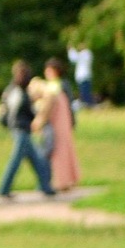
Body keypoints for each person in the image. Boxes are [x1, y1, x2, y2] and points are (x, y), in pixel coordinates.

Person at [0, 60, 55, 199]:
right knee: (16, 161)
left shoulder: (13, 90)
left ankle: (46, 187)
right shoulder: (18, 92)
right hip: (20, 130)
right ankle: (4, 189)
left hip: (21, 130)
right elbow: (19, 112)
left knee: (37, 160)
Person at [35, 58, 81, 192]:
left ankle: (63, 181)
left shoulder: (60, 85)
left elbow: (65, 104)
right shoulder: (51, 85)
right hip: (55, 121)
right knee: (54, 150)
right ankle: (58, 180)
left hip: (61, 121)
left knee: (60, 150)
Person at [67, 41, 94, 108]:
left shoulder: (85, 53)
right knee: (84, 91)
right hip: (83, 76)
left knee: (85, 92)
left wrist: (71, 49)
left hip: (84, 76)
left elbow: (74, 58)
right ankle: (87, 104)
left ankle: (87, 104)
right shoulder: (85, 54)